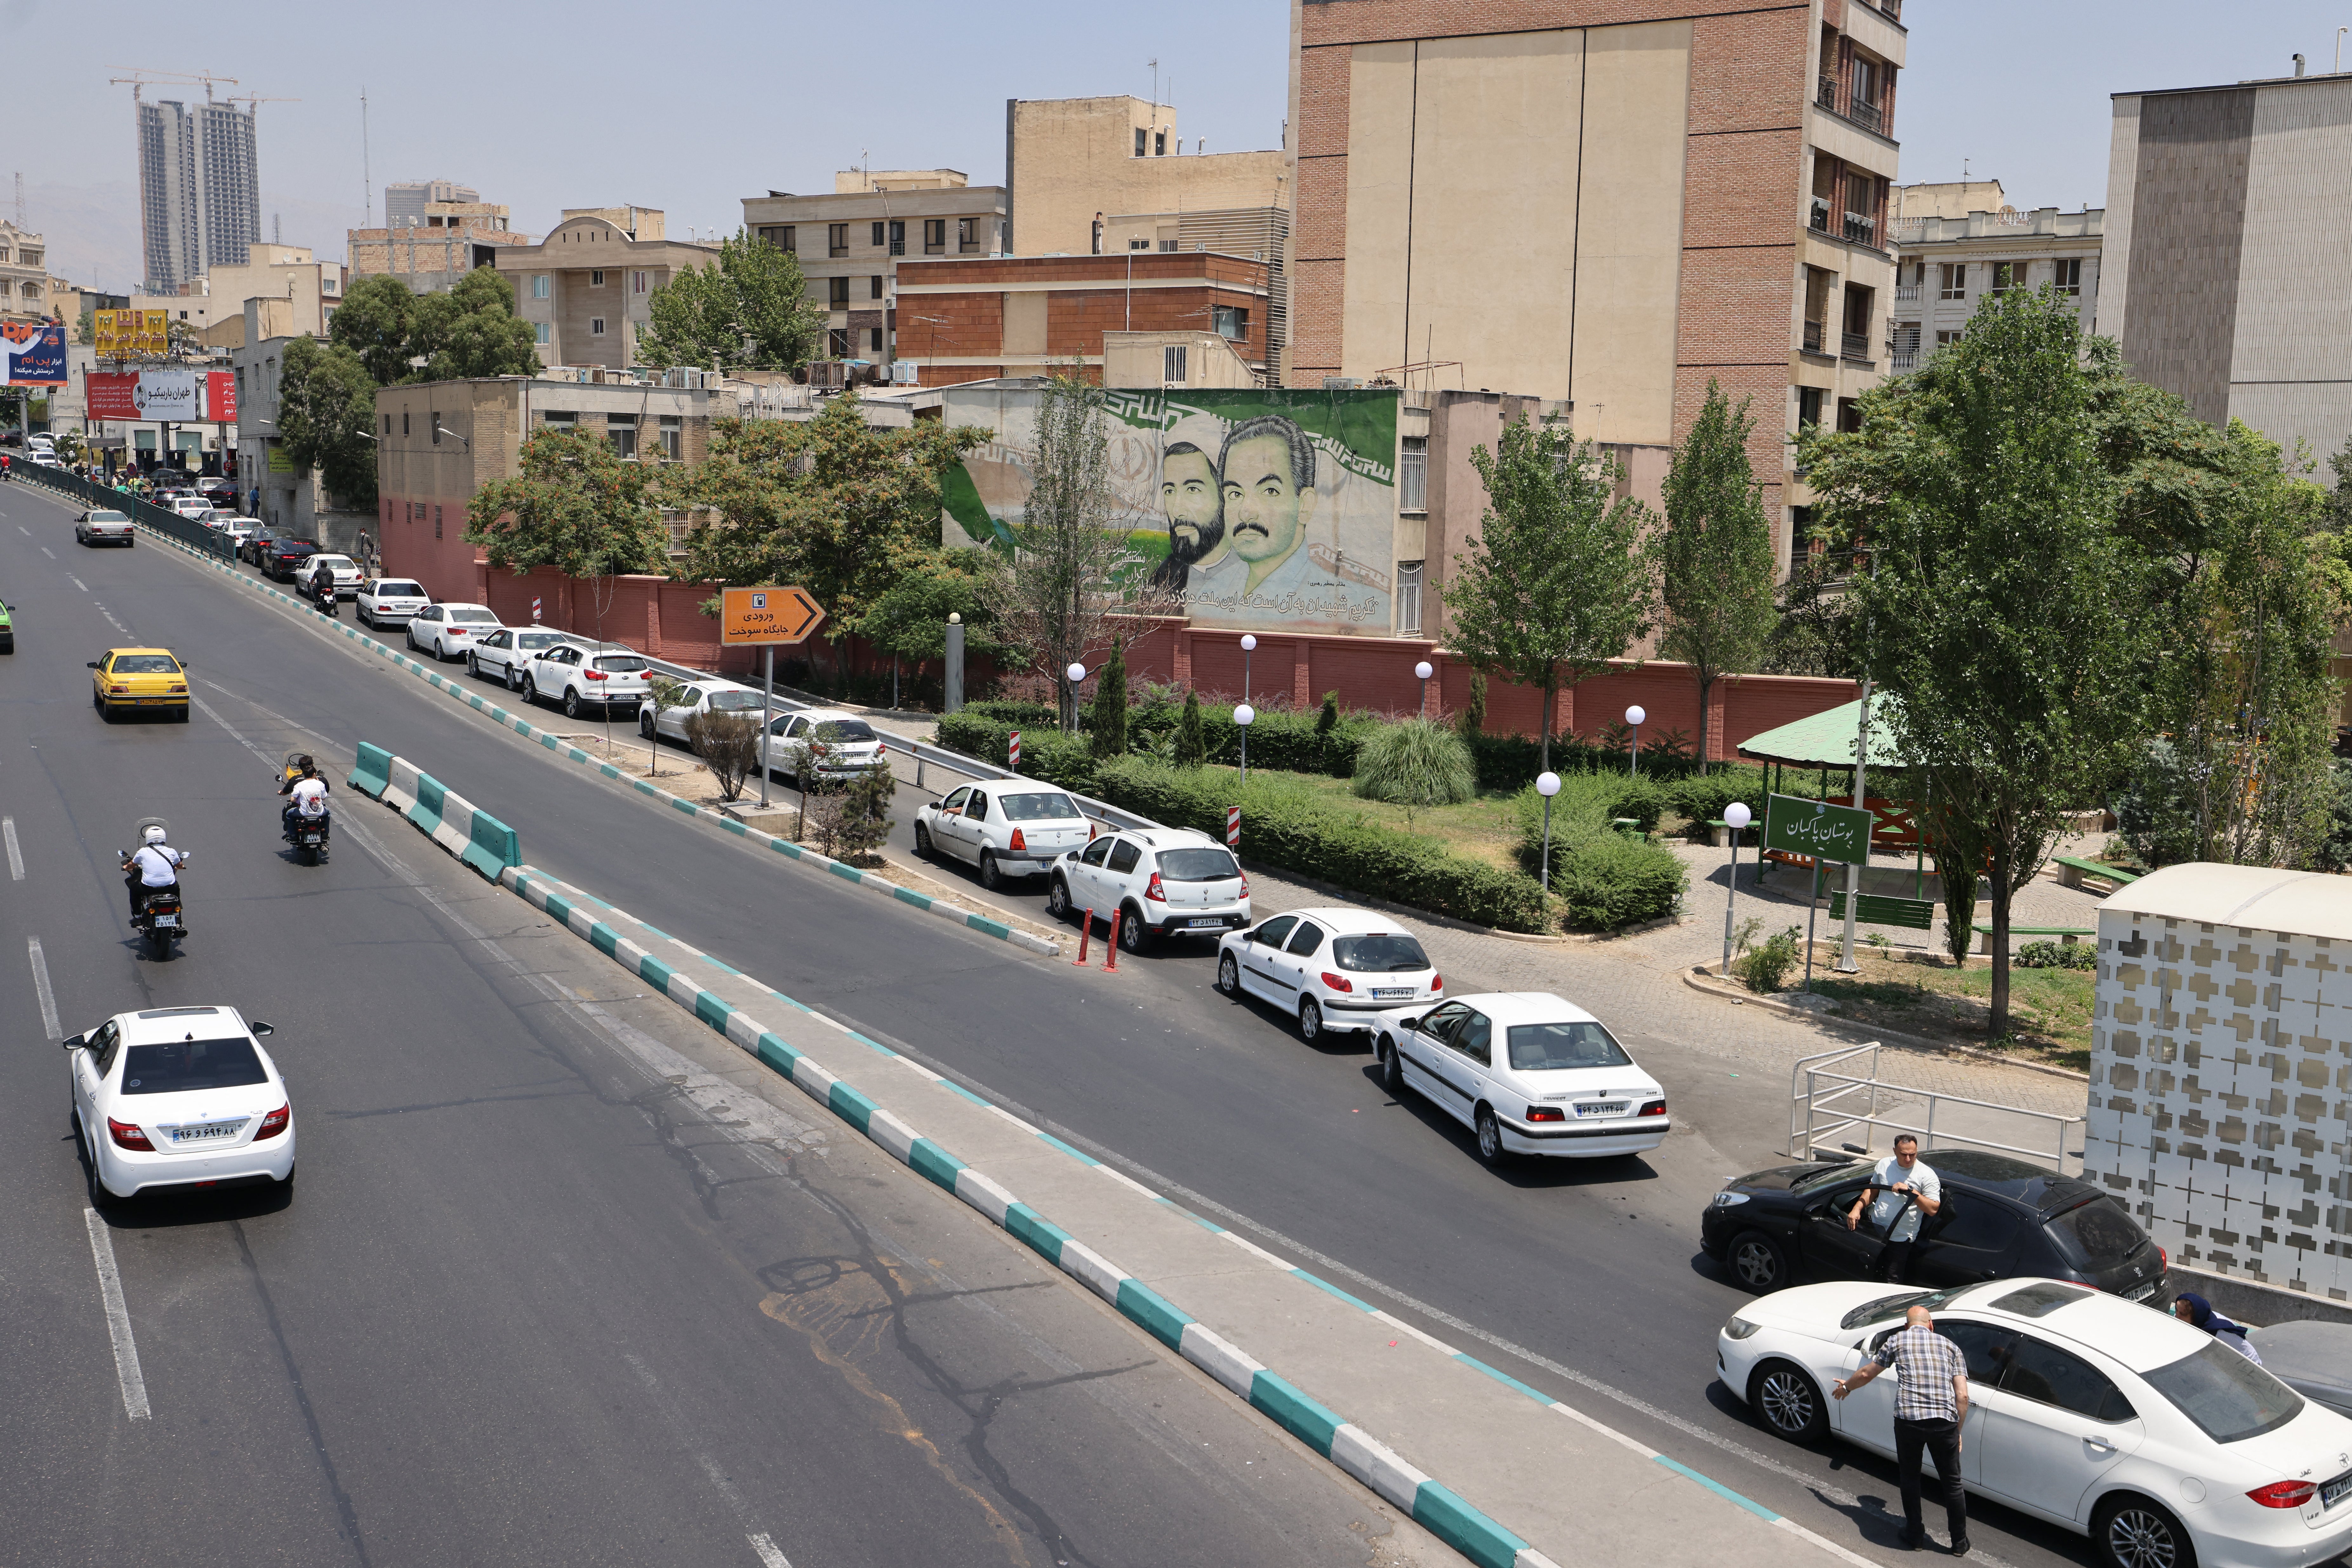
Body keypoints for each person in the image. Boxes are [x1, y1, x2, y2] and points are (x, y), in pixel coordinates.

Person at [1834, 1304, 1970, 1555]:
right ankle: (1959, 1543)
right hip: (1944, 1423)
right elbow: (1962, 1396)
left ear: (1907, 1326)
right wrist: (1957, 1430)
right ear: (1931, 1325)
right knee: (1952, 1483)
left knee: (1910, 1477)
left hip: (1909, 1421)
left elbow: (1866, 1374)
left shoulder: (1897, 1340)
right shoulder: (1952, 1348)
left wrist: (1847, 1388)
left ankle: (1915, 1535)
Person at [1846, 1133, 1942, 1283]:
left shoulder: (1927, 1175)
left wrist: (1912, 1191)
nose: (1909, 1159)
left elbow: (1933, 1209)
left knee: (1892, 1280)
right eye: (1904, 1154)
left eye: (1913, 1154)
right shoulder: (1884, 1165)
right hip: (1876, 1229)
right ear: (1895, 1151)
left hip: (1901, 1239)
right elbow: (1872, 1190)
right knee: (1868, 1273)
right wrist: (1857, 1208)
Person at [1147, 441, 1226, 596]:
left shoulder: (1255, 573)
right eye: (1170, 491)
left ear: (1222, 495)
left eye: (1192, 489)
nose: (1177, 511)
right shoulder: (1162, 578)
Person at [2173, 1292, 2263, 1363]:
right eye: (2177, 1310)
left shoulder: (2219, 1332)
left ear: (2195, 1316)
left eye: (2183, 1314)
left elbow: (2251, 1355)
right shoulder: (2181, 1320)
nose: (2177, 1316)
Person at [122, 824, 187, 921]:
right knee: (176, 887)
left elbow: (131, 865)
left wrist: (125, 867)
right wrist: (182, 867)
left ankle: (137, 916)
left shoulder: (143, 852)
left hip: (148, 888)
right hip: (169, 887)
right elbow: (179, 866)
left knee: (134, 890)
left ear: (148, 838)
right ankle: (176, 914)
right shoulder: (171, 851)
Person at [280, 755, 331, 843]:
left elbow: (290, 797)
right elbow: (324, 796)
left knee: (289, 813)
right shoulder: (321, 782)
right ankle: (325, 834)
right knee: (328, 813)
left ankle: (292, 836)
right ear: (314, 772)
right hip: (319, 811)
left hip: (303, 811)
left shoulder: (297, 782)